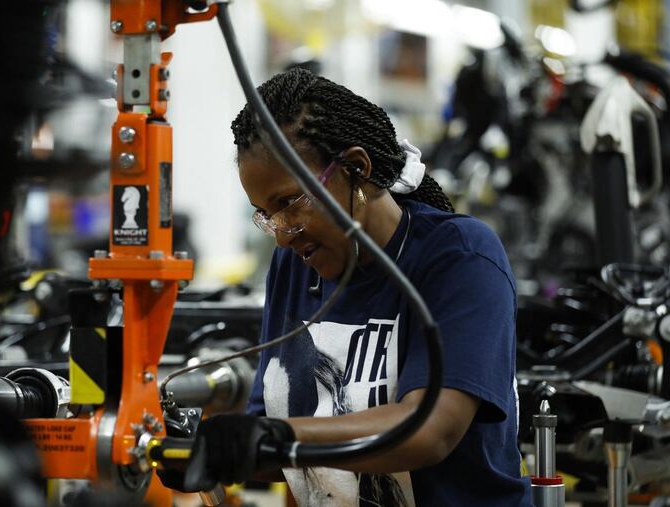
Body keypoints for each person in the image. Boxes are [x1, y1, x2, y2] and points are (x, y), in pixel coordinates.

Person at [163, 67, 533, 507]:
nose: (281, 233)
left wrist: (275, 437)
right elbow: (278, 443)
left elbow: (431, 430)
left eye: (289, 204)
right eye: (265, 214)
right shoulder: (294, 264)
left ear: (357, 169)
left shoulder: (460, 257)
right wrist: (211, 451)